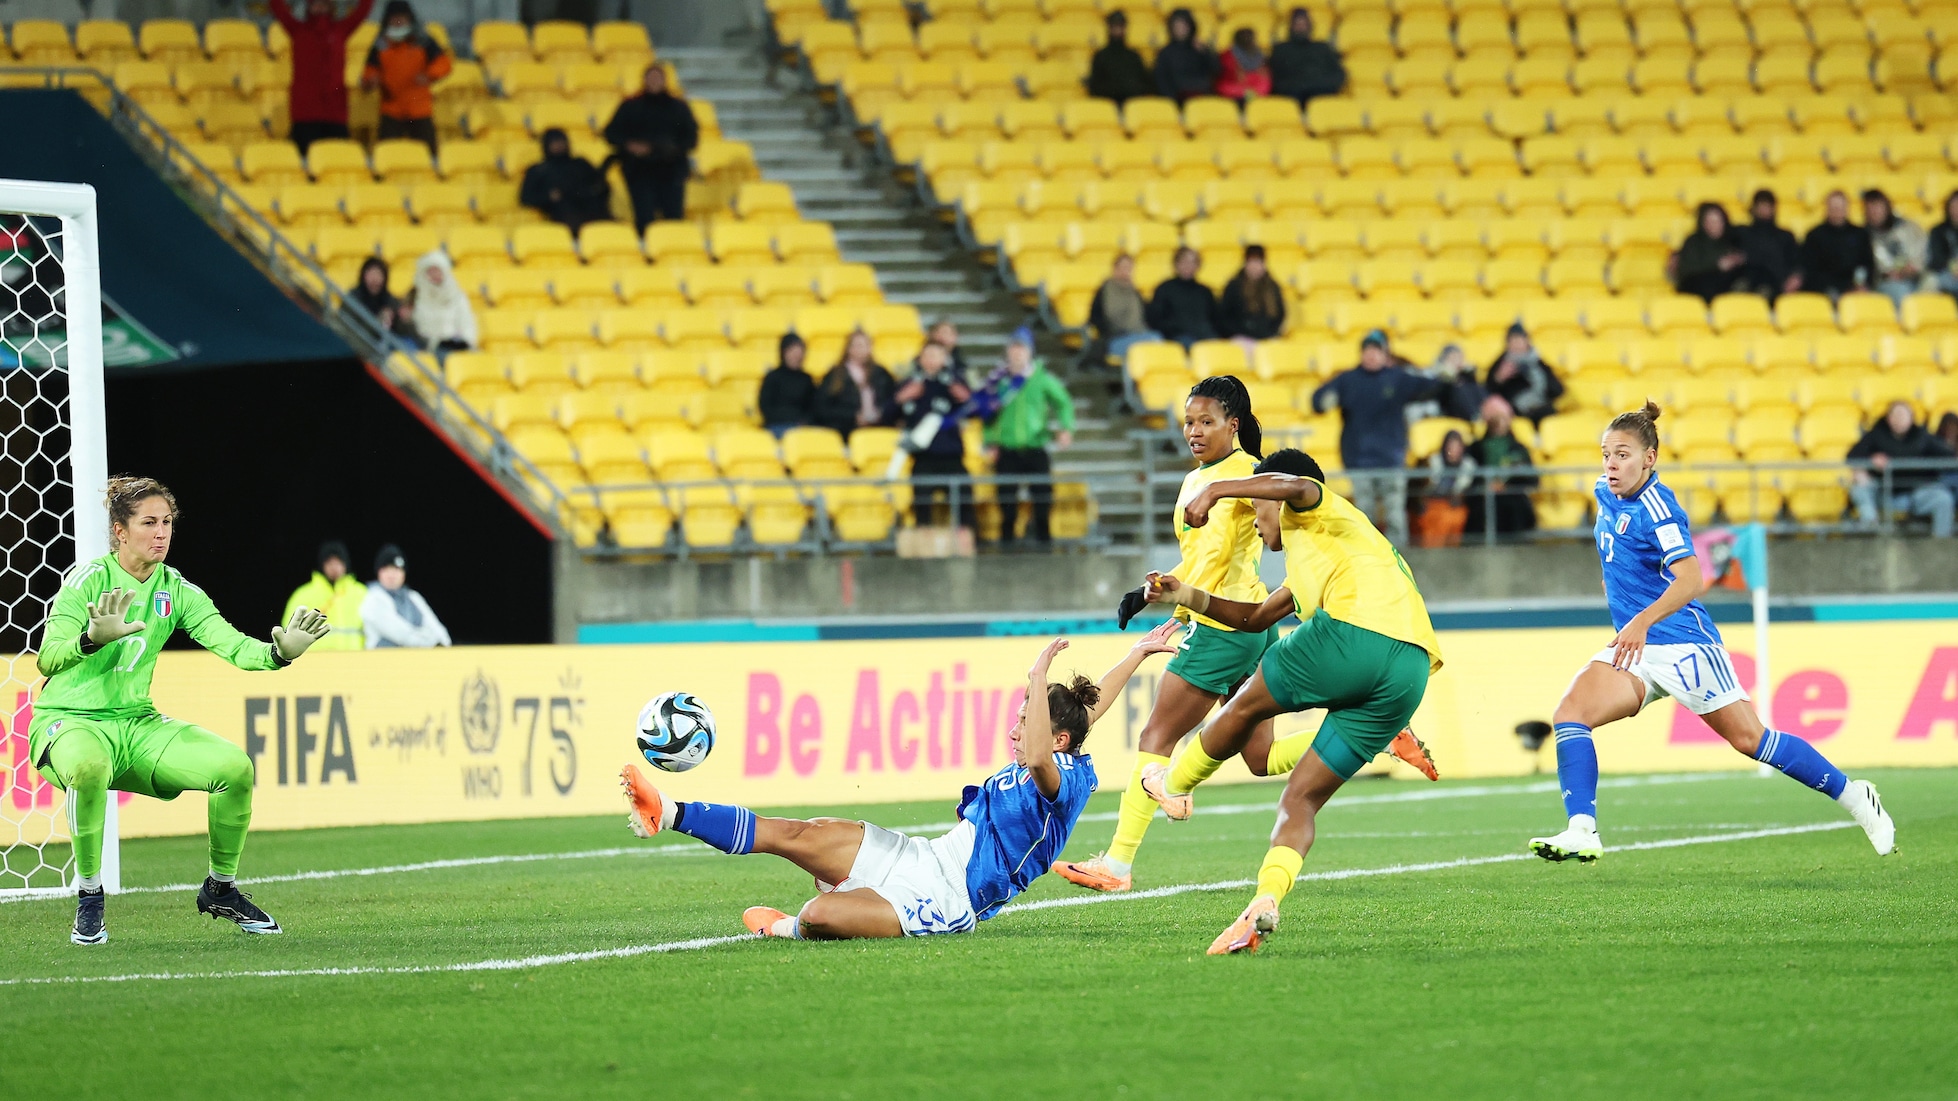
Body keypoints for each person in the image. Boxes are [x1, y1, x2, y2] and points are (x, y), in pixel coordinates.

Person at [1052, 380, 1437, 895]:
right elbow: (1219, 570)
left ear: (1233, 423)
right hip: (1248, 621)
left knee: (1156, 739)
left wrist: (1182, 586)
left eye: (1206, 421)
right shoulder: (1225, 481)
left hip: (1217, 631)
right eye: (1188, 421)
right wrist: (1162, 590)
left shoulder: (1242, 477)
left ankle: (1119, 861)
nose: (1193, 431)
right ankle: (1383, 736)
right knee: (1258, 758)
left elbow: (1225, 548)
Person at [620, 626, 1183, 940]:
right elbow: (1090, 708)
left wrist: (1037, 675)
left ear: (1059, 740)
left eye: (1026, 718)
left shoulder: (1060, 784)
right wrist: (1136, 653)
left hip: (948, 898)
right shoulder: (1060, 743)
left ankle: (788, 928)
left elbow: (1039, 750)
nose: (1015, 729)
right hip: (922, 856)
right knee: (799, 832)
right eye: (1019, 716)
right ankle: (668, 811)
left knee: (818, 918)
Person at [1527, 401, 1895, 867]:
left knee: (1751, 740)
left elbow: (1690, 580)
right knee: (1571, 714)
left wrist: (1639, 620)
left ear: (1649, 459)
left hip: (1683, 643)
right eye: (1606, 454)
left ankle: (1857, 798)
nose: (1611, 464)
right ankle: (1582, 830)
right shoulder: (1604, 492)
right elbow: (1615, 554)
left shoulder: (1659, 508)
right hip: (1636, 646)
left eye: (1622, 454)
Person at [1133, 446, 1446, 954]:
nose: (1255, 522)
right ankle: (1264, 902)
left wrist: (1215, 489)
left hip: (1352, 634)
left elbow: (1296, 485)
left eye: (1256, 508)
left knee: (1242, 707)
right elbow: (1254, 618)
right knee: (1299, 799)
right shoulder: (1326, 556)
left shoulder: (1315, 503)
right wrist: (1184, 594)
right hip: (1408, 671)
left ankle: (1171, 784)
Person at [30, 476, 332, 944]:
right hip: (67, 721)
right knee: (88, 766)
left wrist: (280, 655)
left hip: (135, 723)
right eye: (148, 522)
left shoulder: (178, 590)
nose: (161, 533)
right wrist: (91, 639)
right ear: (119, 531)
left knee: (235, 768)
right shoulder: (88, 581)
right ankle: (90, 898)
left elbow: (230, 644)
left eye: (167, 522)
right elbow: (47, 659)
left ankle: (221, 889)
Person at [1310, 330, 1474, 545]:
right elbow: (1318, 399)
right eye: (1367, 350)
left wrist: (1445, 378)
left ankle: (1398, 562)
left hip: (1391, 459)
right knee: (1363, 515)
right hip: (1359, 460)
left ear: (1385, 354)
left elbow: (1428, 387)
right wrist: (1323, 400)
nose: (1371, 355)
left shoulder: (1397, 379)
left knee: (1395, 515)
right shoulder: (1348, 380)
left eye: (1376, 351)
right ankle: (1365, 560)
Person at [978, 328, 1075, 544]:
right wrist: (989, 441)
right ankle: (1007, 542)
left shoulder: (1040, 379)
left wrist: (1065, 427)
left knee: (1042, 497)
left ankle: (1043, 541)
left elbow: (1063, 403)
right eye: (1014, 347)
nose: (1017, 353)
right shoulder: (999, 382)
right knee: (1006, 500)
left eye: (1021, 347)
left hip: (1035, 446)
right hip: (1007, 449)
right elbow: (987, 414)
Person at [269, 0, 375, 155]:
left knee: (336, 166)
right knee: (306, 166)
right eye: (315, 4)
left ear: (331, 6)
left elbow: (362, 11)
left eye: (323, 3)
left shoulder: (340, 30)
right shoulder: (297, 30)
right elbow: (277, 7)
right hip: (305, 114)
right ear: (308, 7)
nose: (319, 8)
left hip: (335, 113)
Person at [604, 64, 699, 232]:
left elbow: (691, 138)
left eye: (658, 78)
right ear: (644, 80)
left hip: (671, 170)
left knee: (673, 217)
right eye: (651, 78)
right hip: (639, 170)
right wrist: (630, 145)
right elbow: (611, 133)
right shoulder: (630, 106)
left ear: (665, 81)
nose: (654, 82)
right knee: (645, 218)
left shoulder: (678, 108)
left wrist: (670, 149)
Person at [897, 341, 976, 532]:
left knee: (965, 499)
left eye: (936, 355)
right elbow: (887, 415)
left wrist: (967, 399)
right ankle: (924, 547)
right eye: (928, 355)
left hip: (952, 456)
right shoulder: (910, 383)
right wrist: (900, 399)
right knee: (922, 505)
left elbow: (976, 413)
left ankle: (967, 543)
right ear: (921, 358)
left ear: (944, 358)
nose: (932, 360)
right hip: (923, 457)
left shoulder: (954, 383)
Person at [1848, 400, 1956, 537]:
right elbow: (1852, 456)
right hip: (1882, 492)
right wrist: (1868, 463)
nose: (1899, 419)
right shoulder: (1876, 435)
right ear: (1889, 418)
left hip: (1915, 493)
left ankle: (1941, 543)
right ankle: (1870, 525)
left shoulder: (1922, 436)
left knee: (1943, 499)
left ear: (1911, 418)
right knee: (1859, 487)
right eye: (1896, 415)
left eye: (1903, 415)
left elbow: (1948, 456)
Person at [360, 0, 450, 154]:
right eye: (394, 19)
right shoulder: (380, 44)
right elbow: (369, 71)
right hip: (391, 109)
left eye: (402, 18)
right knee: (387, 154)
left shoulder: (423, 41)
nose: (398, 22)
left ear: (410, 19)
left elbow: (444, 64)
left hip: (419, 109)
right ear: (387, 20)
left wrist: (429, 75)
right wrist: (371, 80)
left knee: (428, 155)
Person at [1466, 394, 1538, 536]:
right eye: (1495, 419)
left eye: (1502, 419)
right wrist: (1487, 484)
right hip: (1484, 497)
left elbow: (1532, 478)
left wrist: (1506, 485)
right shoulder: (1476, 448)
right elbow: (1470, 476)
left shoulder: (1518, 449)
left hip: (1512, 497)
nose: (1499, 423)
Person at [519, 127, 612, 235]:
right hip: (562, 215)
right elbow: (526, 198)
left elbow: (601, 185)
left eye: (562, 141)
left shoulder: (581, 164)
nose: (559, 145)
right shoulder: (538, 170)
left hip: (592, 209)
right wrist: (549, 197)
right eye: (555, 142)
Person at [281, 539, 367, 651]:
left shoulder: (361, 593)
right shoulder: (303, 594)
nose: (334, 567)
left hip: (354, 659)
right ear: (322, 565)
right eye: (329, 563)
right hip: (314, 660)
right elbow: (289, 629)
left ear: (346, 564)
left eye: (338, 562)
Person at [361, 543, 451, 648]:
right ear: (378, 572)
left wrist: (443, 643)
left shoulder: (413, 597)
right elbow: (401, 634)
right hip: (382, 661)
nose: (391, 575)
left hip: (415, 659)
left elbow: (438, 629)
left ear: (403, 574)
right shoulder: (373, 598)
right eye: (386, 569)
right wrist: (432, 643)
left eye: (396, 569)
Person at [814, 330, 896, 440]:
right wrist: (853, 417)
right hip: (845, 432)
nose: (862, 349)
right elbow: (822, 408)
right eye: (858, 345)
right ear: (849, 349)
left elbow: (891, 400)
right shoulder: (835, 375)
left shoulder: (881, 373)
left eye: (866, 345)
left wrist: (881, 414)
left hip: (877, 430)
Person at [1086, 252, 1161, 365]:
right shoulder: (1105, 292)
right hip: (1114, 339)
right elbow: (1097, 319)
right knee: (1154, 340)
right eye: (1123, 267)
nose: (1126, 271)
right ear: (1114, 269)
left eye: (1129, 268)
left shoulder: (1135, 292)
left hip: (1140, 335)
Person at [1801, 190, 1876, 298]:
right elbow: (1811, 270)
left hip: (1854, 287)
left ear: (1847, 209)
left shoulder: (1860, 235)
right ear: (1826, 209)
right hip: (1825, 290)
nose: (1837, 211)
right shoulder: (1814, 235)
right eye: (1833, 208)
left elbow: (1866, 264)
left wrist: (1860, 284)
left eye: (1840, 207)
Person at [1485, 321, 1564, 424]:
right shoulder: (1502, 362)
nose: (1517, 344)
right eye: (1513, 340)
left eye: (1520, 339)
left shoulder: (1538, 362)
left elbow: (1557, 389)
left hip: (1540, 404)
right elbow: (1488, 390)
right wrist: (1499, 378)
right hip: (1514, 409)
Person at [1864, 188, 1930, 308]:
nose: (1874, 212)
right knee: (1901, 292)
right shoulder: (1864, 236)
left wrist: (1912, 268)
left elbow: (1921, 254)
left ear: (1887, 208)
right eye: (1870, 209)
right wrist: (1890, 274)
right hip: (1886, 282)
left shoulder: (1909, 228)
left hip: (1916, 277)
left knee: (1933, 285)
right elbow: (1872, 268)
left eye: (1878, 207)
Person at [1269, 7, 1345, 106]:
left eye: (1304, 24)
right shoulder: (1280, 49)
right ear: (1291, 26)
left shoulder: (1323, 48)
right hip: (1291, 97)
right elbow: (1276, 80)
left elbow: (1338, 75)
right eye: (1297, 24)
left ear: (1309, 26)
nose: (1301, 27)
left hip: (1322, 95)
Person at [1218, 244, 1286, 354]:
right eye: (1252, 262)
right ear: (1245, 263)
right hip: (1241, 337)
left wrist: (1268, 333)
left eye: (1259, 262)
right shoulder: (1234, 286)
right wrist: (1242, 332)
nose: (1255, 266)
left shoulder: (1273, 287)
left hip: (1267, 337)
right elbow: (1225, 317)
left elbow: (1279, 315)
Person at [1146, 246, 1220, 348]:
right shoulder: (1165, 289)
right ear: (1176, 264)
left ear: (1198, 266)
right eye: (1184, 261)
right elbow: (1156, 319)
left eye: (1192, 262)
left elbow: (1215, 320)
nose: (1188, 266)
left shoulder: (1205, 292)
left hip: (1206, 336)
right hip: (1177, 338)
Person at [1674, 201, 1747, 302]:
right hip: (1698, 289)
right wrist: (1717, 265)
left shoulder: (1731, 241)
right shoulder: (1693, 242)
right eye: (1710, 221)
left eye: (1718, 221)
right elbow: (1687, 271)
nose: (1715, 225)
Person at [1737, 188, 1803, 300]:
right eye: (1761, 205)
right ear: (1753, 208)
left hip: (1776, 285)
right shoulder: (1741, 233)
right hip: (1747, 281)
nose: (1764, 210)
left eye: (1767, 206)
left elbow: (1797, 262)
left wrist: (1797, 276)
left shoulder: (1785, 236)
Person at [409, 249, 476, 357]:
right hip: (433, 349)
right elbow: (421, 329)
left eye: (437, 270)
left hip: (459, 347)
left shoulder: (458, 297)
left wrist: (465, 341)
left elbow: (467, 324)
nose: (434, 274)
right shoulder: (419, 299)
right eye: (430, 271)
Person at [1414, 429, 1474, 547]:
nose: (1452, 451)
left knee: (1456, 517)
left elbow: (1463, 490)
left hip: (1454, 506)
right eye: (1450, 446)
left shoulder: (1468, 465)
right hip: (1432, 504)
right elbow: (1425, 487)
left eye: (1456, 447)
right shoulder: (1432, 462)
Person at [1086, 10, 1154, 105]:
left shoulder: (1134, 56)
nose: (1118, 30)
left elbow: (1144, 84)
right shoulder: (1100, 56)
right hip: (1107, 107)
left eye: (1120, 26)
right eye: (1114, 26)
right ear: (1109, 28)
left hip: (1133, 105)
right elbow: (1095, 87)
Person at [1154, 8, 1219, 103]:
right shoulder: (1165, 53)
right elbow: (1162, 81)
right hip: (1177, 99)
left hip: (1203, 97)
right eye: (1177, 26)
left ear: (1190, 27)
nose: (1181, 29)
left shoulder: (1200, 49)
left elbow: (1216, 70)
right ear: (1171, 28)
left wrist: (1205, 53)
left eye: (1184, 26)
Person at [759, 333, 816, 436]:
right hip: (777, 426)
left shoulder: (807, 379)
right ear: (783, 353)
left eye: (799, 352)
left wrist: (804, 422)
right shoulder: (772, 377)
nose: (796, 356)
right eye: (792, 352)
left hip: (801, 427)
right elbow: (765, 407)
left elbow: (813, 407)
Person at [1215, 27, 1272, 100]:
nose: (1246, 39)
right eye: (1244, 37)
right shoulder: (1227, 55)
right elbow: (1229, 77)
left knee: (1263, 84)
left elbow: (1264, 76)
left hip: (1256, 87)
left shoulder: (1260, 55)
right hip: (1234, 87)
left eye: (1249, 37)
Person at [350, 255, 400, 330]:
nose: (375, 279)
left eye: (378, 274)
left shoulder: (390, 301)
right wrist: (378, 320)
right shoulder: (353, 298)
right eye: (371, 274)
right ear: (363, 276)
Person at [1928, 190, 1958, 302]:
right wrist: (1953, 267)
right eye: (1954, 206)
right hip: (1945, 274)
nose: (1956, 211)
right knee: (1931, 281)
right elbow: (1936, 260)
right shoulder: (1938, 231)